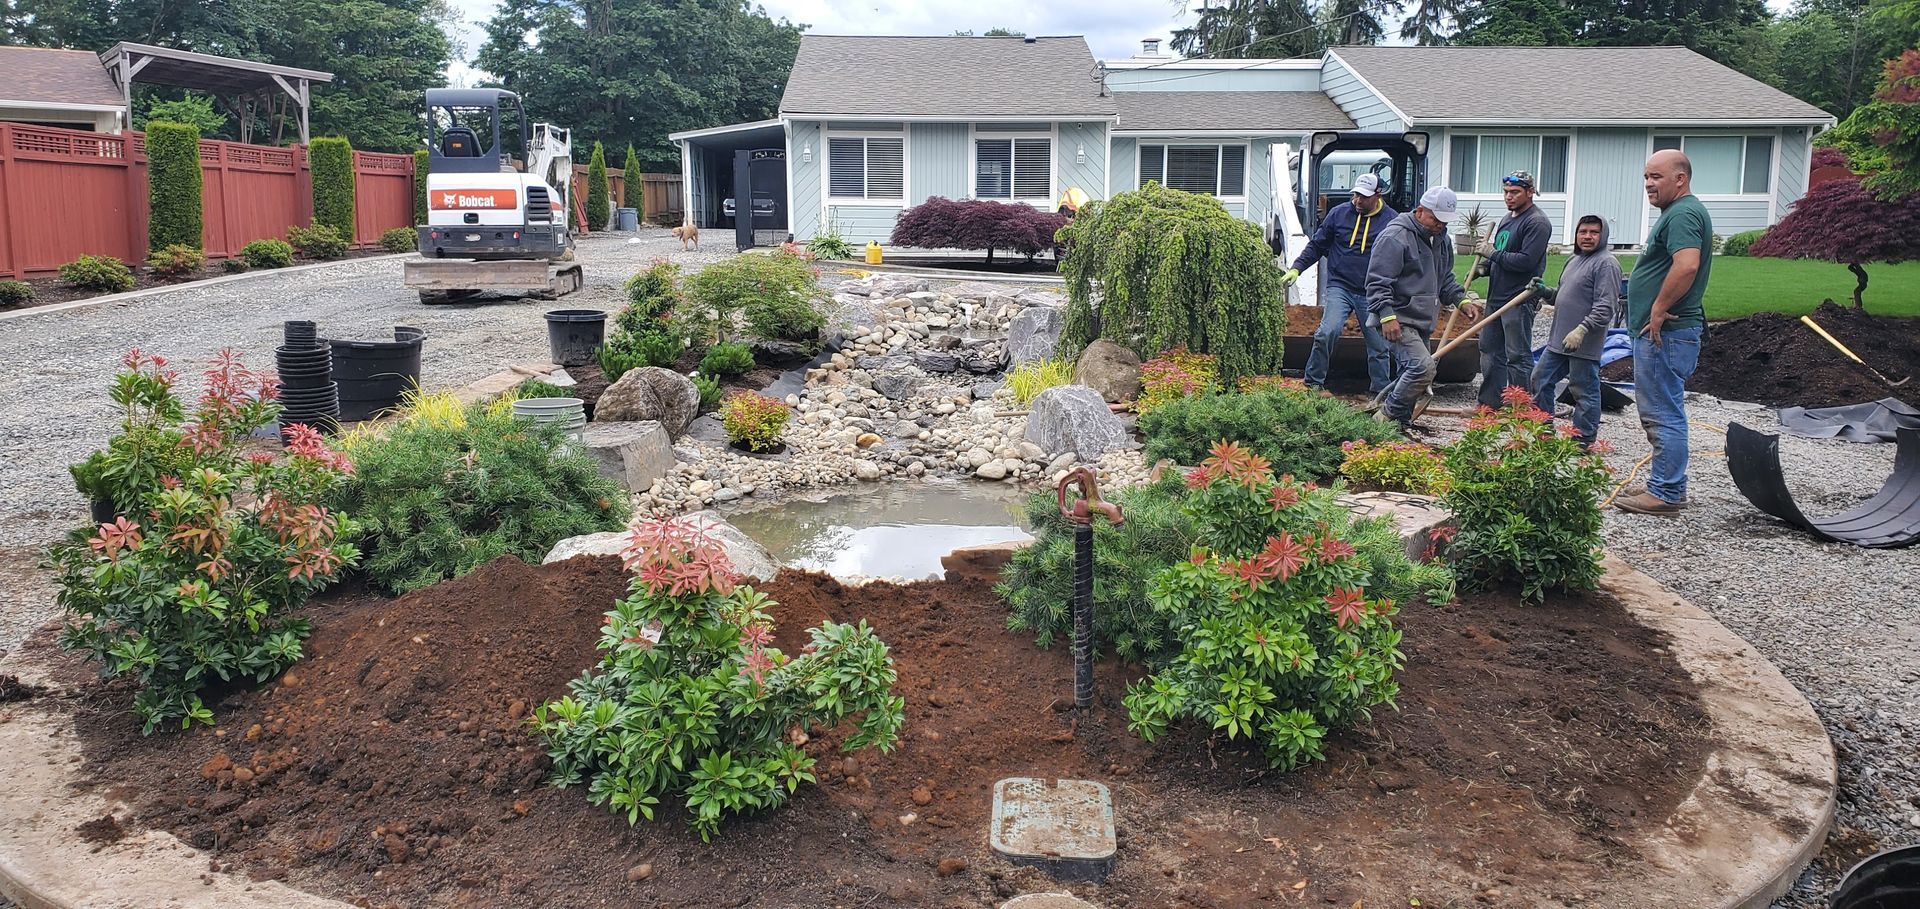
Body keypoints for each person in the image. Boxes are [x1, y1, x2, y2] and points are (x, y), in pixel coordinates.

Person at [1616, 149, 1712, 515]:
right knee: (1662, 409)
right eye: (1646, 177)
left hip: (1666, 333)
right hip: (1668, 334)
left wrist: (1657, 308)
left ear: (1680, 179)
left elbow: (1687, 265)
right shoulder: (1680, 212)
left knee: (1662, 412)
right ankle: (1665, 483)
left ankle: (1667, 493)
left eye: (1657, 177)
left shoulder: (1685, 213)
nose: (1648, 184)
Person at [1366, 186, 1482, 430]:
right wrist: (1386, 316)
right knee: (1421, 368)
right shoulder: (1395, 237)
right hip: (1397, 318)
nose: (1440, 225)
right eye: (1435, 219)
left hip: (1421, 319)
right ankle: (1383, 419)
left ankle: (1399, 427)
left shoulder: (1441, 240)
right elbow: (1377, 281)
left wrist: (1462, 301)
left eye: (1444, 221)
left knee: (1409, 372)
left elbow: (1444, 278)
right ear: (1420, 210)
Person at [1283, 173, 1397, 393]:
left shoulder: (1391, 221)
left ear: (1377, 195)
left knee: (1379, 345)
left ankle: (1380, 393)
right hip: (1340, 286)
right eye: (1355, 195)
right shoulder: (1339, 214)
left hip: (1372, 292)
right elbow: (1317, 245)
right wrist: (1297, 268)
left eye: (1363, 197)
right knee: (1327, 332)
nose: (1357, 201)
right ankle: (1313, 384)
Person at [1530, 214, 1620, 450]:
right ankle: (1543, 434)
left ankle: (1582, 441)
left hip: (1583, 342)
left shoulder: (1606, 263)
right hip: (1560, 339)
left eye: (1593, 232)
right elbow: (1563, 295)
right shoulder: (1574, 261)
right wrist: (1545, 292)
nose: (1587, 237)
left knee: (1583, 390)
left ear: (1603, 236)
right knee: (1540, 379)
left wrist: (1582, 329)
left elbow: (1606, 306)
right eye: (1583, 232)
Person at [1474, 171, 1554, 409]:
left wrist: (1493, 254)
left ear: (1530, 192)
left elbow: (1526, 261)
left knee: (1517, 356)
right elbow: (1501, 252)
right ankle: (1489, 404)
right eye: (1506, 192)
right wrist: (1485, 267)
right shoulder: (1508, 219)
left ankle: (1521, 410)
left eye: (1515, 193)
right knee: (1489, 350)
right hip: (1496, 297)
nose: (1509, 197)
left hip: (1519, 298)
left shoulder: (1537, 222)